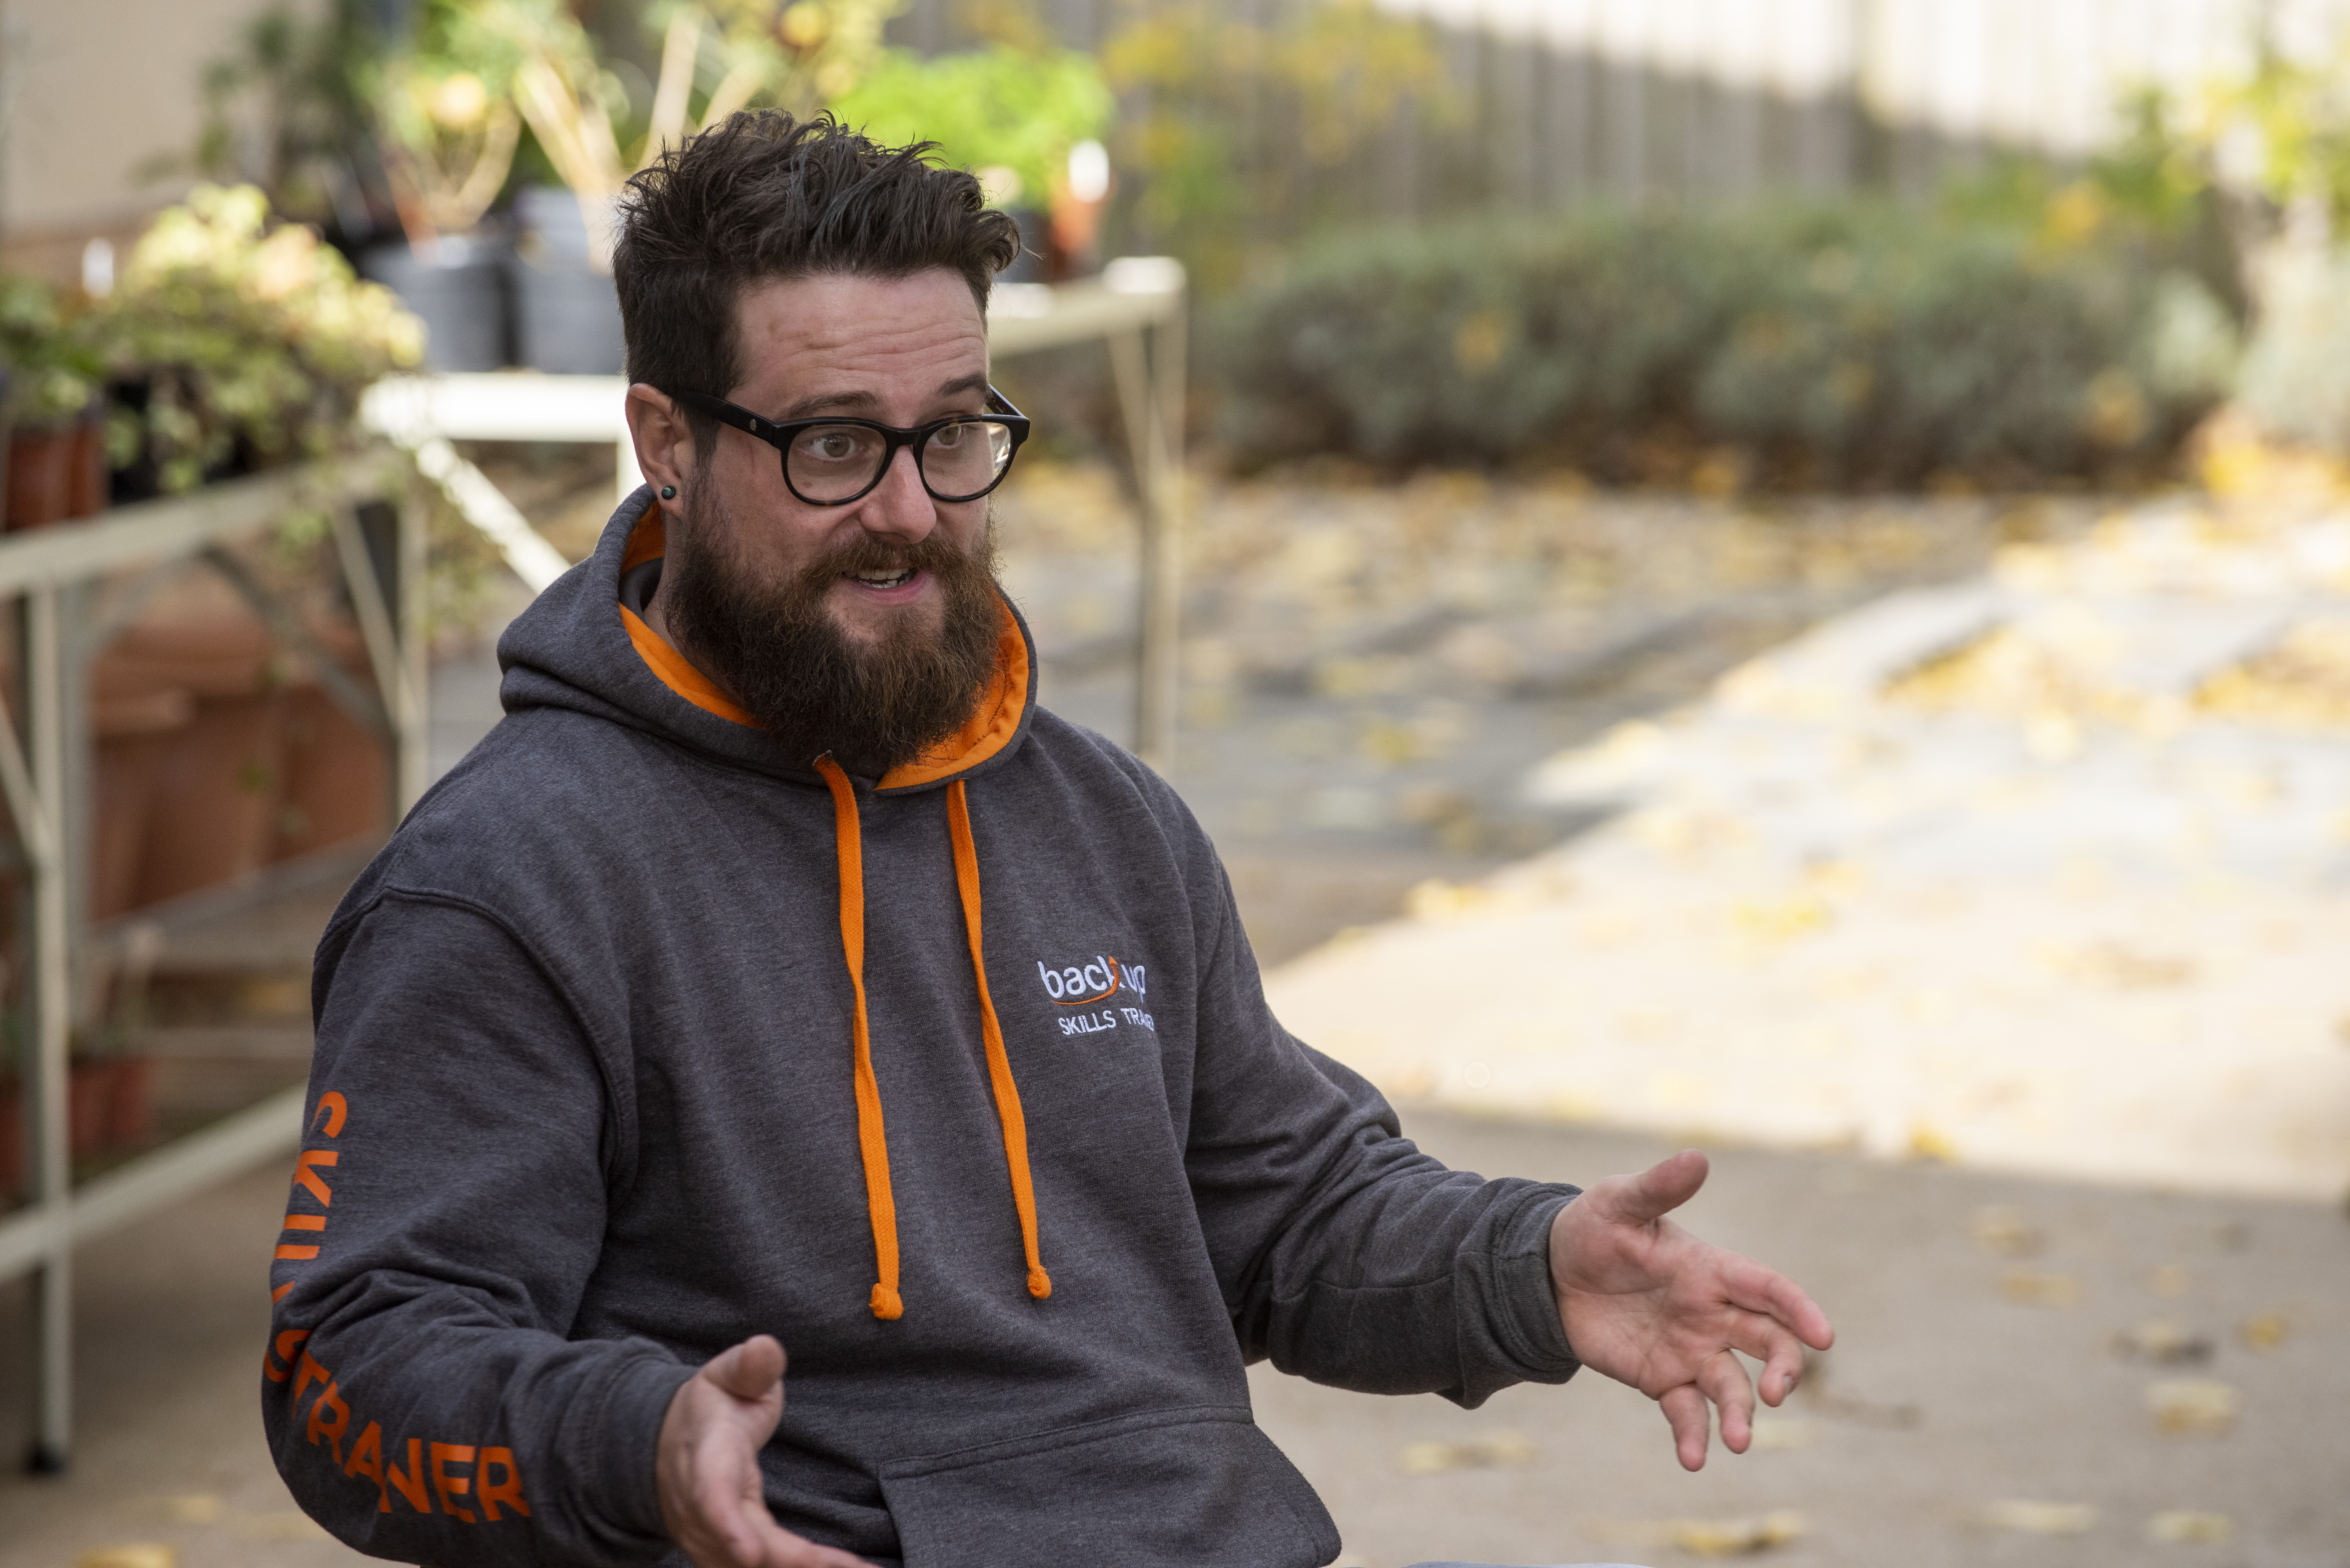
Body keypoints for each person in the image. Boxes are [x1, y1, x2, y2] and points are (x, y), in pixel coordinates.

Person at [263, 111, 1833, 1568]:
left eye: (953, 436)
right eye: (830, 445)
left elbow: (1285, 1209)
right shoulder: (509, 883)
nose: (907, 511)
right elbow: (352, 1366)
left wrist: (1526, 1264)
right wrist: (637, 1443)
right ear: (665, 443)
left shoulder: (1106, 820)